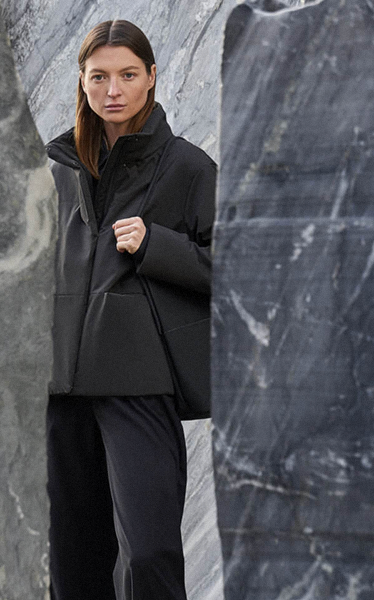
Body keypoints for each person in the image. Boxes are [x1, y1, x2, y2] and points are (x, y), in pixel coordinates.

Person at [43, 19, 216, 600]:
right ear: (82, 81)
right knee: (73, 560)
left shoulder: (187, 168)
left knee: (148, 551)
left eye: (127, 75)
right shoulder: (57, 170)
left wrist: (155, 246)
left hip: (139, 385)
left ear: (151, 78)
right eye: (99, 76)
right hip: (61, 389)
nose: (113, 90)